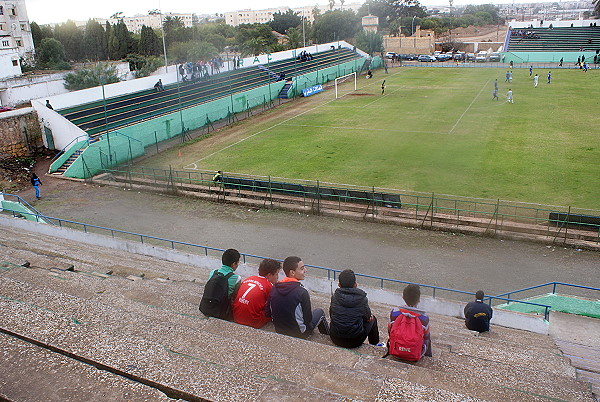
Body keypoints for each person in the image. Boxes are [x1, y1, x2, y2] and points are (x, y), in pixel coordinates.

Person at [266, 256, 329, 339]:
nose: (306, 270)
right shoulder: (302, 292)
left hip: (279, 330)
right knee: (319, 312)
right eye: (302, 268)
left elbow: (267, 313)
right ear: (292, 273)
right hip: (299, 334)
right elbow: (308, 320)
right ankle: (328, 336)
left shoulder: (274, 288)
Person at [329, 269, 380, 348]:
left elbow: (331, 314)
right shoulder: (362, 299)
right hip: (354, 341)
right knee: (373, 319)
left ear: (339, 284)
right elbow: (368, 317)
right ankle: (375, 345)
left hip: (335, 338)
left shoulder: (334, 297)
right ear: (355, 284)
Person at [233, 258, 281, 328]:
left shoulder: (249, 278)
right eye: (276, 274)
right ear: (269, 275)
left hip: (236, 316)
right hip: (252, 322)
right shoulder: (269, 286)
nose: (278, 277)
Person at [388, 284, 432, 359]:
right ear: (418, 300)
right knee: (428, 339)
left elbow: (390, 330)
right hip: (415, 354)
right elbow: (426, 336)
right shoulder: (424, 317)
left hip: (395, 350)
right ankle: (428, 357)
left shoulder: (394, 312)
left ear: (403, 298)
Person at [201, 248, 242, 320]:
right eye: (237, 263)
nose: (237, 265)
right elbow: (235, 297)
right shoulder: (237, 278)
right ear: (233, 264)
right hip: (222, 311)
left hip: (207, 307)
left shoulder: (213, 272)